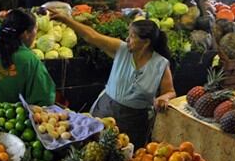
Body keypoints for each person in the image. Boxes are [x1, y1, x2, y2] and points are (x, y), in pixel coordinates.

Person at [50, 11, 174, 146]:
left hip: (135, 121)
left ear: (145, 42)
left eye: (132, 36)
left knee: (126, 156)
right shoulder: (121, 50)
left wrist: (165, 97)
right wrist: (66, 19)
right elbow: (92, 36)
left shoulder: (161, 64)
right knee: (94, 149)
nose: (127, 39)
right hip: (106, 110)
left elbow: (170, 91)